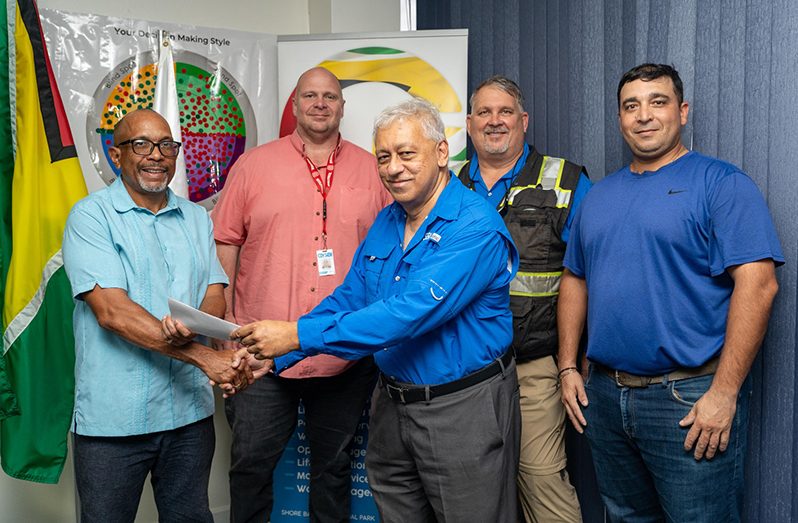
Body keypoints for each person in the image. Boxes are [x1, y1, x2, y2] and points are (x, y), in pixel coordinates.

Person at [231, 97, 522, 522]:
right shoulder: (389, 220)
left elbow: (409, 313)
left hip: (461, 408)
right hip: (392, 405)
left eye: (407, 154)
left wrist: (295, 335)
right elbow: (351, 298)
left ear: (441, 153)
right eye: (383, 157)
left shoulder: (475, 226)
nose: (393, 168)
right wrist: (277, 354)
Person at [558, 63, 783, 522]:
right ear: (620, 118)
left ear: (682, 111)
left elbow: (759, 286)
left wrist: (724, 393)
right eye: (631, 106)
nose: (644, 115)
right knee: (624, 516)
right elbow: (574, 278)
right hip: (605, 396)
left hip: (687, 399)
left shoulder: (721, 184)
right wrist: (566, 366)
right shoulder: (598, 196)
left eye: (657, 102)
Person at [211, 67, 390, 523]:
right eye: (310, 95)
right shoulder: (253, 165)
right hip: (258, 353)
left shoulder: (374, 171)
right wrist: (226, 326)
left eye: (330, 96)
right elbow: (225, 242)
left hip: (341, 352)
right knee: (250, 467)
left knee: (333, 470)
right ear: (294, 105)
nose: (319, 104)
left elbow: (391, 255)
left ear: (342, 108)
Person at [62, 108, 252, 522]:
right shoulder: (90, 217)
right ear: (116, 154)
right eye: (142, 144)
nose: (156, 155)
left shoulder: (196, 217)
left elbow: (214, 290)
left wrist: (194, 325)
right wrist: (206, 358)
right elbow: (111, 312)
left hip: (188, 417)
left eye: (167, 145)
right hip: (113, 424)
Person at [460, 75, 590, 523]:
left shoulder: (566, 180)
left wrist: (575, 361)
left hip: (534, 366)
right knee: (473, 487)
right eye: (484, 112)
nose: (495, 122)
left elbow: (588, 274)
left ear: (523, 121)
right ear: (469, 123)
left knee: (540, 479)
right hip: (466, 373)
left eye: (505, 112)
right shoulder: (448, 186)